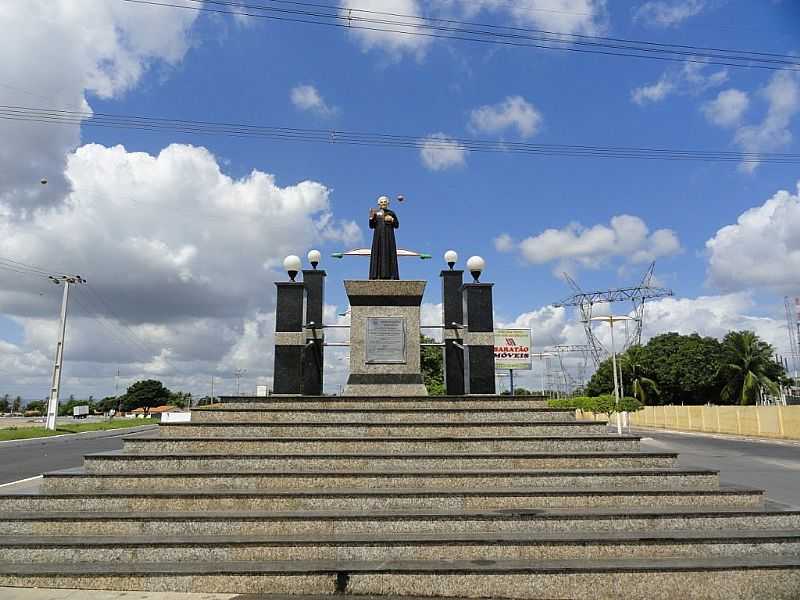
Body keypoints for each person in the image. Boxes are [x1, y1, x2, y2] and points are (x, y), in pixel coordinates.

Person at [368, 195, 400, 280]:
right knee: (378, 253)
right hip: (378, 237)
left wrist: (392, 220)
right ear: (379, 204)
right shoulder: (376, 213)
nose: (383, 203)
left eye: (385, 202)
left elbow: (397, 225)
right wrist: (371, 217)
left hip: (389, 238)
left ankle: (391, 275)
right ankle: (376, 275)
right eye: (381, 202)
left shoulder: (391, 213)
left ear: (388, 203)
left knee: (389, 254)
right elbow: (371, 226)